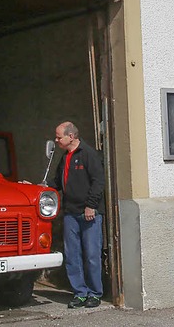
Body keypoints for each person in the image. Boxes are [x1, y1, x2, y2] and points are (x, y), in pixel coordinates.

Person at [49, 121, 105, 309]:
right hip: (70, 213)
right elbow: (57, 182)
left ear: (71, 136)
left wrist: (91, 206)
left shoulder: (88, 154)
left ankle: (95, 293)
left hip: (88, 214)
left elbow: (98, 182)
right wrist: (40, 188)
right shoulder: (65, 157)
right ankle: (80, 293)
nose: (56, 140)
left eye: (59, 137)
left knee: (91, 255)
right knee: (72, 255)